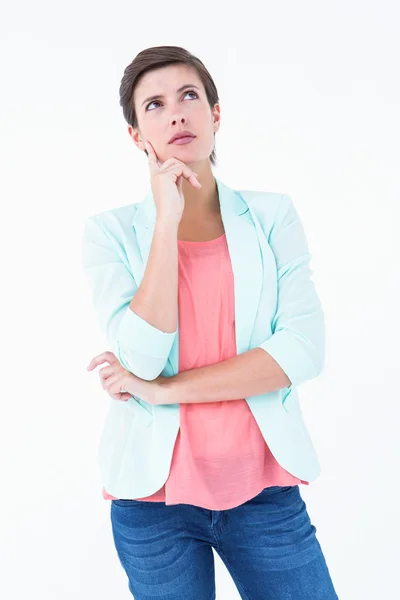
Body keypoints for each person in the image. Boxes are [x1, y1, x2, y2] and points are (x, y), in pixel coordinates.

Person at [82, 45, 339, 600]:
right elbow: (143, 354)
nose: (176, 114)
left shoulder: (272, 215)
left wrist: (163, 390)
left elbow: (302, 352)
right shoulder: (110, 233)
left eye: (189, 96)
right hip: (154, 506)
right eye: (154, 105)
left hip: (263, 493)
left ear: (215, 114)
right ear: (136, 136)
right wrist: (166, 224)